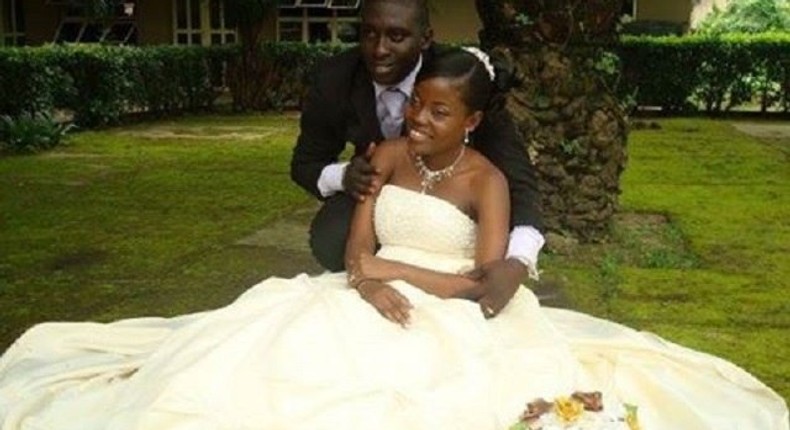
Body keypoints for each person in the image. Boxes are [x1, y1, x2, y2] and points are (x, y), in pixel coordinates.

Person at [0, 49, 787, 430]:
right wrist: (366, 277)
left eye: (439, 113)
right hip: (366, 291)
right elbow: (355, 245)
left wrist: (398, 273)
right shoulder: (382, 153)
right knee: (272, 364)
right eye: (418, 108)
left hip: (448, 302)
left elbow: (484, 280)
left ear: (473, 119)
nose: (419, 121)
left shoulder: (489, 179)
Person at [290, 0, 543, 318]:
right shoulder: (335, 78)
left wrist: (517, 263)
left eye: (396, 37)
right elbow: (305, 163)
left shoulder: (461, 77)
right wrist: (345, 176)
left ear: (425, 39)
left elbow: (521, 184)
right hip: (379, 189)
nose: (379, 49)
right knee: (331, 236)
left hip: (456, 212)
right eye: (368, 33)